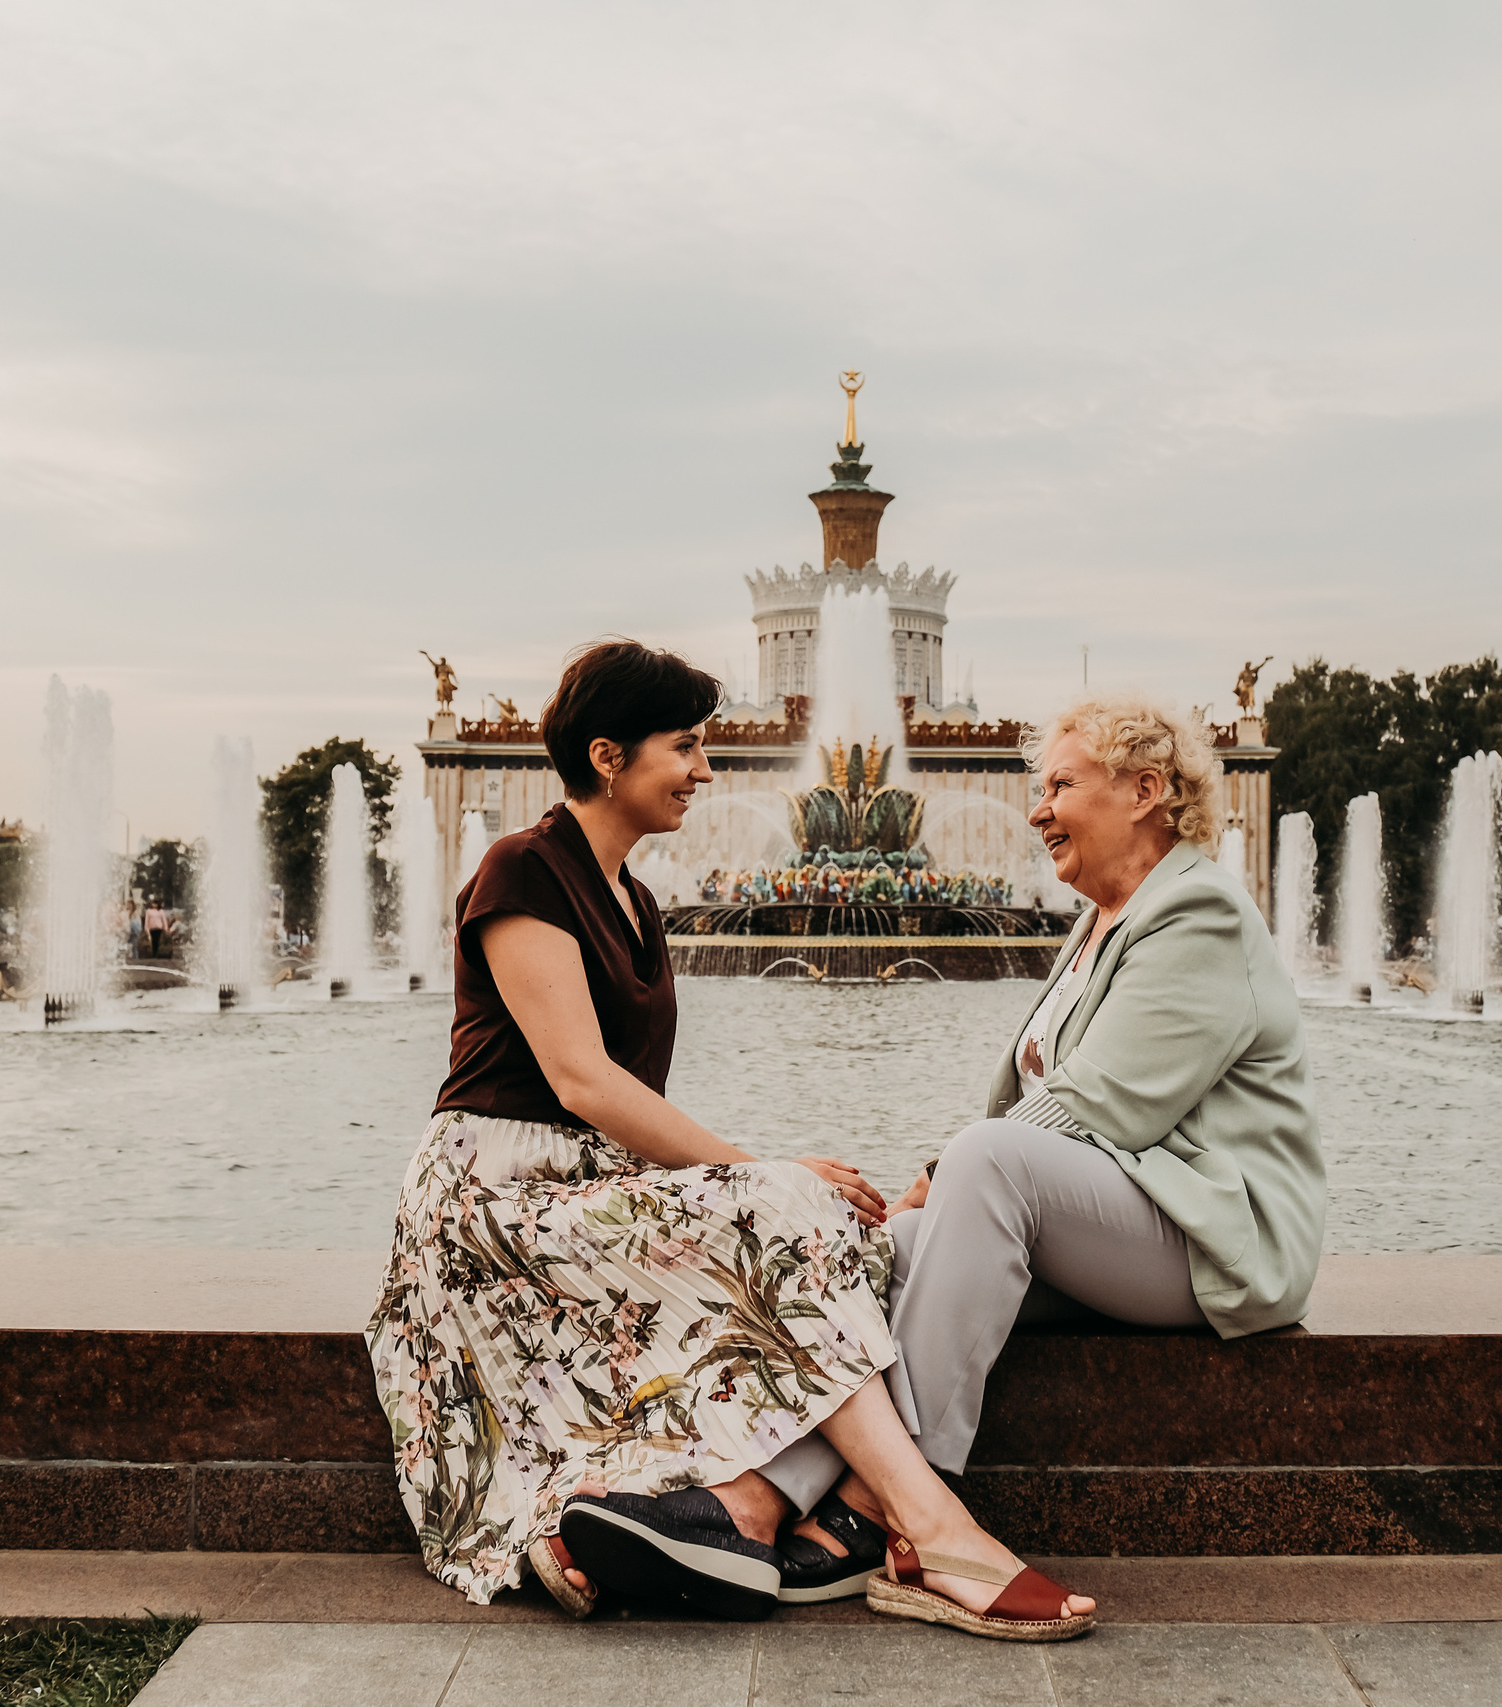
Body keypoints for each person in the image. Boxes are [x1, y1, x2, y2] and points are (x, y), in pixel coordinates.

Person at [366, 639, 1094, 1640]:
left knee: (839, 1226)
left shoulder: (635, 901)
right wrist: (764, 1172)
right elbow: (583, 1082)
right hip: (494, 1201)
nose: (706, 772)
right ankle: (929, 1521)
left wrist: (773, 1182)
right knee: (793, 1202)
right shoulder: (522, 868)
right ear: (610, 756)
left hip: (587, 1187)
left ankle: (726, 1513)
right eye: (686, 748)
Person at [759, 690, 1324, 1558]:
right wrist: (937, 1194)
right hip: (1127, 1220)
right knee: (887, 1247)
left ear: (1144, 789)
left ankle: (893, 1500)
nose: (1037, 808)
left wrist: (950, 1169)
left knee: (983, 1165)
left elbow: (1105, 1102)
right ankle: (765, 1493)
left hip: (1216, 1238)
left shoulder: (1198, 911)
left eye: (1060, 783)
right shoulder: (1104, 919)